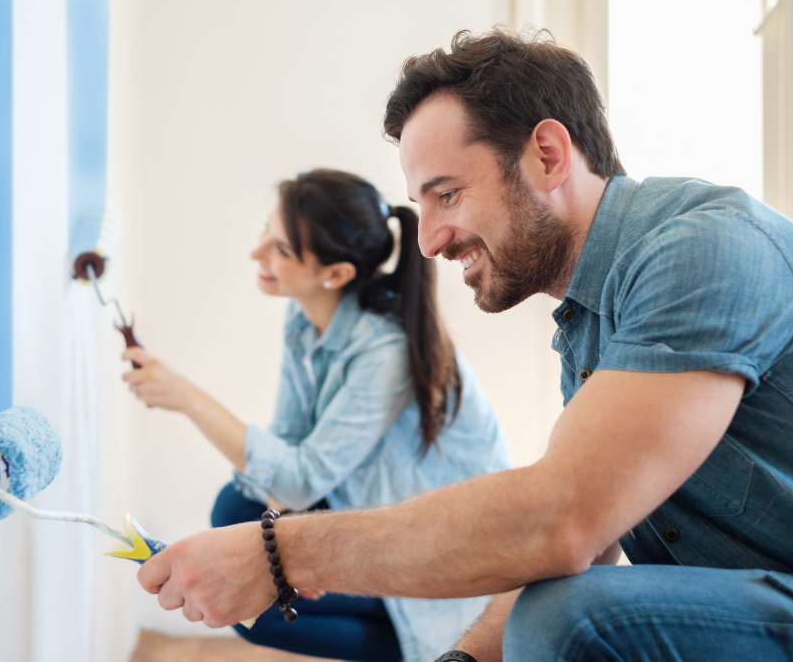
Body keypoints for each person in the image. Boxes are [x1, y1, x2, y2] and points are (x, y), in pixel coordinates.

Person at [133, 28, 793, 662]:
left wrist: (279, 557)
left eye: (447, 195)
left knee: (572, 620)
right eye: (420, 208)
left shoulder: (705, 249)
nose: (431, 240)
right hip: (764, 602)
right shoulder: (588, 327)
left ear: (548, 155)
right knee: (556, 608)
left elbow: (562, 520)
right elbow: (587, 539)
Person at [121, 168, 511, 662]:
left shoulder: (384, 352)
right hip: (367, 506)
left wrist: (187, 398)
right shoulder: (304, 319)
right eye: (268, 229)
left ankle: (415, 641)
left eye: (281, 249)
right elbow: (287, 446)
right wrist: (289, 554)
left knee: (251, 581)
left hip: (439, 551)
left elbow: (299, 482)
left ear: (336, 275)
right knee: (237, 514)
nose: (257, 252)